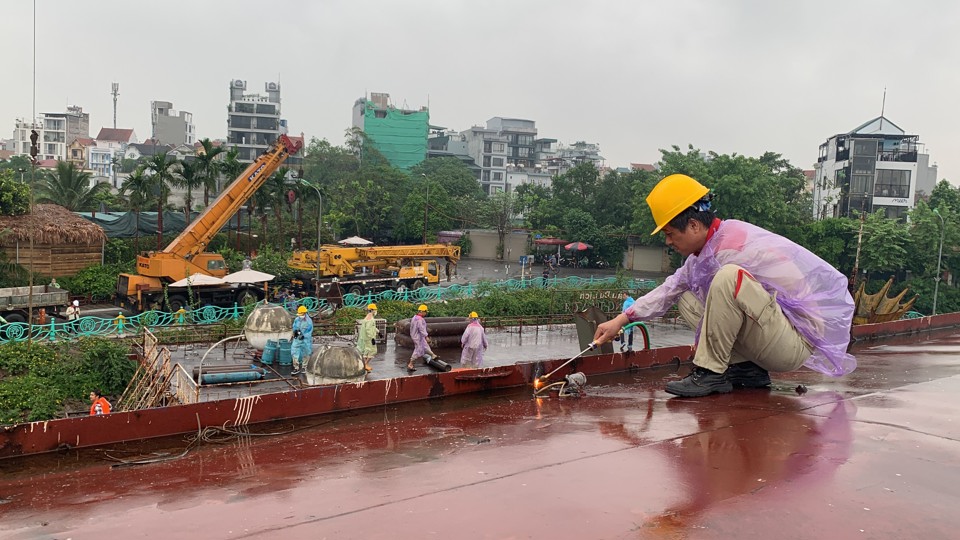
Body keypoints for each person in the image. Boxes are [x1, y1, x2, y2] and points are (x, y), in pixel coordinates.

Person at [593, 174, 855, 398]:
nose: (669, 242)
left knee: (729, 277)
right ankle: (745, 369)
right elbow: (669, 289)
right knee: (684, 294)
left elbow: (791, 301)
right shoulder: (706, 252)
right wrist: (622, 319)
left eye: (671, 234)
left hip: (793, 342)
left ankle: (710, 372)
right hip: (770, 335)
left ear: (694, 225)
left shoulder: (733, 248)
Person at [408, 304, 436, 372]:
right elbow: (422, 329)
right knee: (418, 349)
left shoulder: (414, 318)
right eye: (425, 312)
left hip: (416, 336)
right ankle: (410, 363)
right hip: (418, 337)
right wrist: (426, 336)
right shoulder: (420, 320)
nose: (426, 314)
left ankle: (433, 355)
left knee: (425, 346)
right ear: (423, 311)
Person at [290, 305, 314, 375]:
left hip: (306, 340)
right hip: (297, 338)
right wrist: (296, 333)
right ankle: (296, 367)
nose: (300, 316)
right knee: (294, 351)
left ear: (304, 313)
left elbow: (309, 332)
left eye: (301, 314)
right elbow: (294, 327)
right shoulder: (297, 319)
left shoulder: (309, 322)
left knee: (306, 352)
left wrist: (303, 336)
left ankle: (304, 367)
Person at [357, 303, 379, 373]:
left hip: (365, 337)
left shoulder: (367, 317)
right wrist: (372, 338)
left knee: (366, 352)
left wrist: (378, 332)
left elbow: (372, 327)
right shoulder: (370, 319)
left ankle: (364, 365)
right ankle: (365, 364)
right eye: (375, 310)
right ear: (372, 310)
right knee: (372, 351)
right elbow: (368, 329)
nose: (376, 311)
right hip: (369, 338)